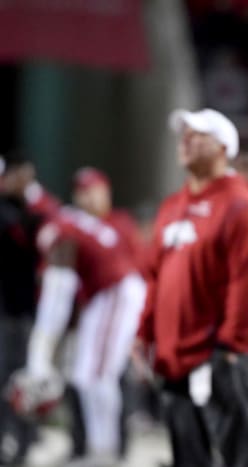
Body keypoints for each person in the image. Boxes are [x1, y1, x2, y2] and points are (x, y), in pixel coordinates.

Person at [131, 108, 248, 467]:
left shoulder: (240, 205)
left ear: (224, 147)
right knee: (187, 457)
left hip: (218, 357)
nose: (187, 141)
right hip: (173, 357)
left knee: (240, 457)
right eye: (185, 134)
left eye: (198, 135)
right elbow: (155, 276)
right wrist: (143, 331)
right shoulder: (172, 205)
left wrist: (228, 347)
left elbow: (247, 282)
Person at [20, 167, 147, 465]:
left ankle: (106, 450)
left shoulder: (106, 223)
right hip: (99, 302)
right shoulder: (68, 222)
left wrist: (40, 353)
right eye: (83, 191)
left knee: (99, 376)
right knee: (84, 376)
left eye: (94, 190)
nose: (89, 197)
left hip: (115, 294)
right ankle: (96, 447)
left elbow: (60, 288)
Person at [0, 151, 59, 465]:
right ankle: (13, 441)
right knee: (10, 377)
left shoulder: (33, 210)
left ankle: (21, 442)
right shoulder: (11, 212)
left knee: (21, 380)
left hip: (24, 309)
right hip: (10, 309)